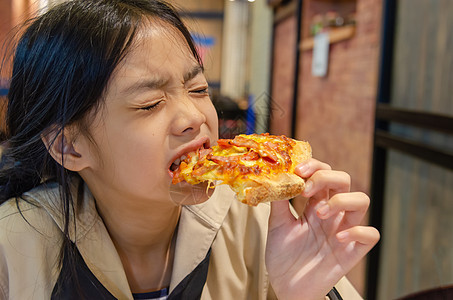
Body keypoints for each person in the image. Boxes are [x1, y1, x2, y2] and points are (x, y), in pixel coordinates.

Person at [0, 0, 380, 299]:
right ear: (69, 146)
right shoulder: (13, 246)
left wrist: (302, 296)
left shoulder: (262, 224)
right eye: (149, 103)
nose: (194, 117)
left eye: (198, 90)